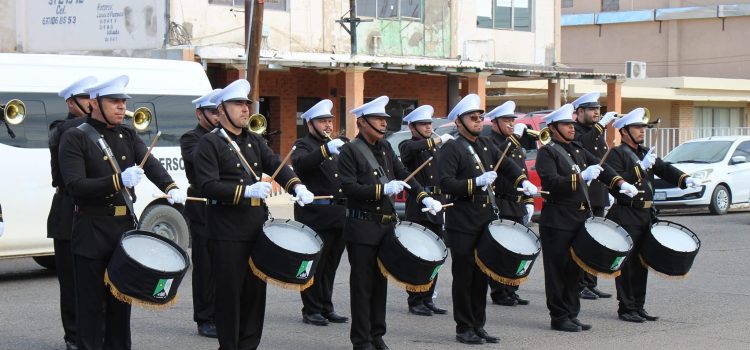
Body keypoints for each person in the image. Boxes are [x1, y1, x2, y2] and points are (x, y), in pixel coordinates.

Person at [58, 75, 187, 350]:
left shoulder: (127, 133)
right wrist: (118, 180)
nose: (121, 107)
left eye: (123, 102)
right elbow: (75, 185)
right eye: (114, 101)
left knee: (121, 303)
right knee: (91, 308)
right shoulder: (75, 137)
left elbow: (149, 162)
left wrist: (170, 186)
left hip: (122, 229)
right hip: (91, 229)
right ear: (94, 103)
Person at [193, 79, 315, 350]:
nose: (245, 109)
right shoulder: (209, 144)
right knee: (230, 296)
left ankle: (249, 345)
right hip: (226, 231)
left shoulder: (253, 140)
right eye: (238, 104)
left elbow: (276, 164)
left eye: (247, 104)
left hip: (255, 228)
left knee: (254, 294)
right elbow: (207, 185)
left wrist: (297, 185)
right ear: (221, 109)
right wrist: (245, 191)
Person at [337, 96, 443, 350]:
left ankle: (377, 335)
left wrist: (423, 196)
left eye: (385, 119)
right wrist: (380, 190)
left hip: (384, 228)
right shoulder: (351, 150)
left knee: (380, 284)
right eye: (378, 119)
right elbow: (348, 188)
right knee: (362, 287)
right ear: (362, 122)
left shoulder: (384, 148)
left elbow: (405, 174)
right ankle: (362, 340)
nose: (384, 124)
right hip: (362, 228)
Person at [440, 94, 537, 344]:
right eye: (473, 117)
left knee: (482, 274)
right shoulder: (452, 147)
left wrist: (523, 181)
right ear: (459, 122)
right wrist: (475, 183)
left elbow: (507, 166)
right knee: (465, 276)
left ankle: (478, 324)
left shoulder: (485, 144)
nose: (478, 120)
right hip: (462, 221)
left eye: (480, 117)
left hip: (484, 219)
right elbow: (446, 183)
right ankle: (464, 327)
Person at [535, 103, 639, 333]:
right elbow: (551, 183)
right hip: (557, 220)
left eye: (572, 124)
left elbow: (603, 168)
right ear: (553, 128)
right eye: (565, 125)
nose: (571, 128)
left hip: (578, 219)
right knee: (558, 271)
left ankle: (572, 313)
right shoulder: (547, 152)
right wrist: (579, 177)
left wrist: (620, 183)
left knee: (575, 270)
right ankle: (559, 316)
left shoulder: (578, 149)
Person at [606, 108, 699, 323]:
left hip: (645, 214)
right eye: (637, 127)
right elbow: (616, 184)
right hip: (626, 213)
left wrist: (685, 179)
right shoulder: (616, 154)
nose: (642, 131)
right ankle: (626, 307)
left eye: (643, 127)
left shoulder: (644, 152)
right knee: (627, 264)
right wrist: (640, 168)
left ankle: (639, 306)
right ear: (625, 131)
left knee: (642, 262)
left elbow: (665, 169)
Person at [47, 76, 98, 350]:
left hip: (95, 210)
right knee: (71, 282)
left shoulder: (96, 128)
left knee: (95, 280)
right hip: (68, 210)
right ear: (71, 102)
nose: (93, 103)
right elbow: (68, 129)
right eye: (87, 98)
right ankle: (74, 336)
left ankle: (94, 333)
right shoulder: (62, 127)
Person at [292, 99, 349, 326]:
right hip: (315, 216)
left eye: (329, 121)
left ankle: (326, 306)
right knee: (314, 264)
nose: (327, 125)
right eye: (322, 121)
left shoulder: (335, 145)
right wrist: (326, 149)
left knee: (331, 265)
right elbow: (302, 165)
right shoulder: (303, 144)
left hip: (337, 215)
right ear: (310, 124)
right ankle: (311, 309)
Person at [398, 105, 451, 317]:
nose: (429, 127)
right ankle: (415, 299)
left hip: (437, 204)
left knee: (435, 252)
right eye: (424, 124)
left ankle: (428, 297)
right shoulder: (407, 145)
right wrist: (439, 140)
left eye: (430, 124)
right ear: (412, 127)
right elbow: (411, 151)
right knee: (418, 255)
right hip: (419, 205)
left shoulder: (434, 149)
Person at [180, 88, 222, 338]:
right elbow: (202, 160)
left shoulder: (228, 137)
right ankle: (205, 318)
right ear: (200, 113)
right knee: (206, 266)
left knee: (226, 264)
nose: (218, 116)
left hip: (228, 207)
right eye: (213, 112)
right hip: (203, 205)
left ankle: (223, 312)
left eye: (220, 111)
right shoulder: (191, 138)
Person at [484, 101, 533, 307]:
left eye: (513, 120)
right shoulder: (490, 141)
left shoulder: (515, 142)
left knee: (518, 249)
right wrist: (514, 138)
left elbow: (522, 171)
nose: (511, 124)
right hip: (501, 202)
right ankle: (499, 290)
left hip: (518, 203)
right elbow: (497, 161)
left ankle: (512, 289)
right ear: (495, 123)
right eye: (507, 120)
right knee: (502, 250)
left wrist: (529, 200)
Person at [571, 92, 615, 301]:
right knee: (584, 240)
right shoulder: (576, 132)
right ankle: (579, 283)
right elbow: (584, 145)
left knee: (597, 240)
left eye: (598, 109)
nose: (597, 112)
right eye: (591, 109)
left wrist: (612, 189)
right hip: (585, 195)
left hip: (599, 194)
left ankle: (591, 282)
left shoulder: (596, 133)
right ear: (579, 112)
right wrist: (602, 126)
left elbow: (603, 163)